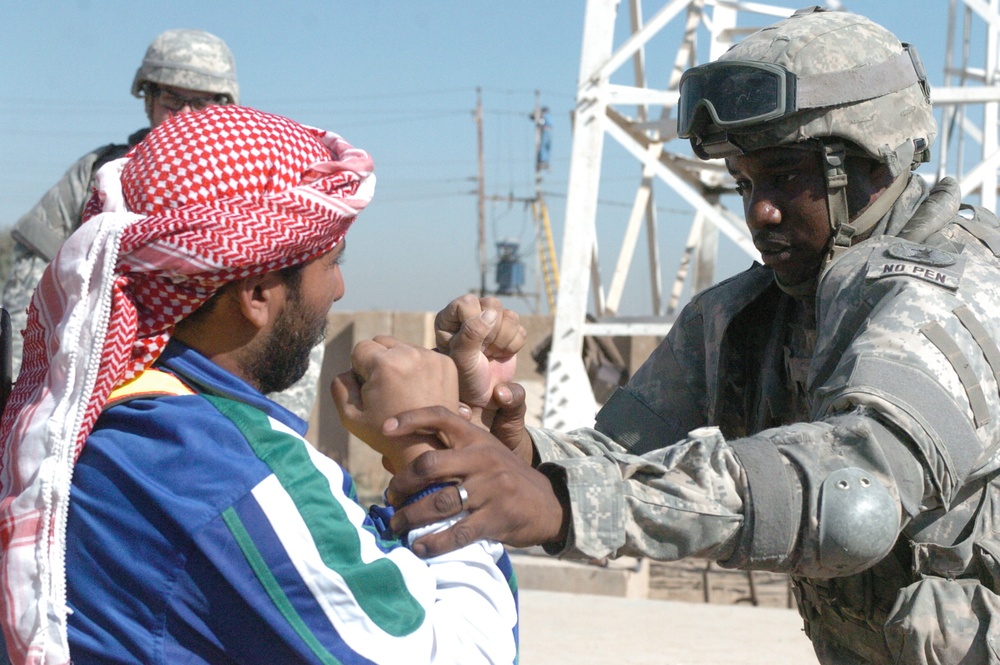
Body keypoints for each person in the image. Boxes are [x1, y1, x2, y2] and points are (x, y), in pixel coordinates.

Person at [337, 7, 1000, 664]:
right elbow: (616, 455)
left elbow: (856, 494)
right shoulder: (750, 316)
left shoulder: (950, 289)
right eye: (745, 183)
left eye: (786, 177)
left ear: (869, 162)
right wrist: (508, 445)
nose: (759, 212)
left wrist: (568, 502)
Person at [0, 106, 517, 664]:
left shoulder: (116, 415)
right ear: (258, 293)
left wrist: (455, 414)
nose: (340, 289)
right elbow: (461, 652)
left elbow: (338, 573)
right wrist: (430, 448)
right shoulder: (224, 472)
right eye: (331, 263)